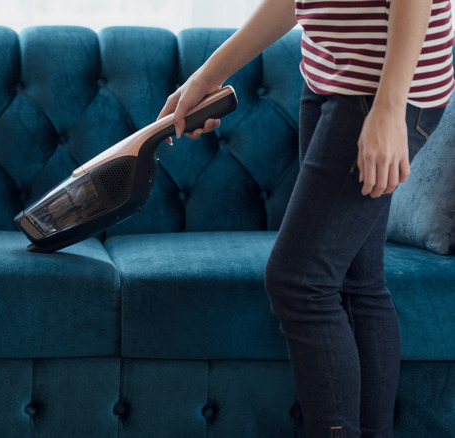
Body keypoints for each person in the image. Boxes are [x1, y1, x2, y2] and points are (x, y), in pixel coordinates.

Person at [157, 0, 454, 436]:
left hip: (380, 89)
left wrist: (390, 108)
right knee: (358, 281)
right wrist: (207, 76)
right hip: (330, 75)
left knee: (299, 282)